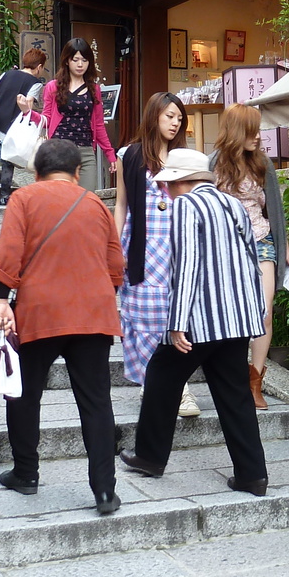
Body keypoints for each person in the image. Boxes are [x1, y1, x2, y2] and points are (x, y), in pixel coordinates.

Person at [122, 149, 269, 496]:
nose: (167, 190)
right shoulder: (232, 204)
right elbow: (252, 260)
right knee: (234, 394)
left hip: (201, 319)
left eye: (170, 183)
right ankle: (252, 474)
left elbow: (185, 266)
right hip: (236, 319)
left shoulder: (186, 207)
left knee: (160, 373)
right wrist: (254, 313)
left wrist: (177, 323)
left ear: (183, 181)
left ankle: (149, 456)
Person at [0, 139, 125, 514]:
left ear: (36, 171)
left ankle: (26, 473)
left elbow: (9, 251)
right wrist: (100, 292)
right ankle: (103, 491)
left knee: (24, 392)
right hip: (93, 313)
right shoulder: (96, 203)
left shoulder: (24, 199)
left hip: (40, 309)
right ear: (78, 172)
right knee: (96, 402)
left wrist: (2, 299)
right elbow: (115, 261)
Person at [114, 92, 201, 418]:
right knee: (144, 317)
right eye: (169, 116)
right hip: (141, 246)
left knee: (178, 316)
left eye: (179, 117)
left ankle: (179, 388)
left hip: (178, 247)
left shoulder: (185, 158)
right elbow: (121, 203)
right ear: (154, 116)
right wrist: (113, 246)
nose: (175, 122)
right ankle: (154, 382)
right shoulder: (131, 155)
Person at [210, 104, 289, 410]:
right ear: (237, 132)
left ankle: (254, 380)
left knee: (264, 312)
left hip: (261, 242)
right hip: (226, 249)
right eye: (252, 130)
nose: (259, 136)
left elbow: (273, 207)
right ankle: (229, 376)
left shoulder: (262, 163)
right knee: (229, 315)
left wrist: (284, 247)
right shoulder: (214, 164)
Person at [37, 38, 117, 192]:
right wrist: (28, 112)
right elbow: (46, 119)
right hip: (59, 150)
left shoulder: (95, 89)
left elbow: (98, 125)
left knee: (85, 199)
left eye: (84, 60)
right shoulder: (53, 87)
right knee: (60, 200)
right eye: (76, 60)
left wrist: (110, 153)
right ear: (67, 61)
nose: (80, 64)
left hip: (85, 152)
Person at [0, 48, 47, 205]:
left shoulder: (7, 73)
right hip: (11, 122)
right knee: (8, 159)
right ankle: (4, 195)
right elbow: (28, 103)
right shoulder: (36, 83)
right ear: (39, 67)